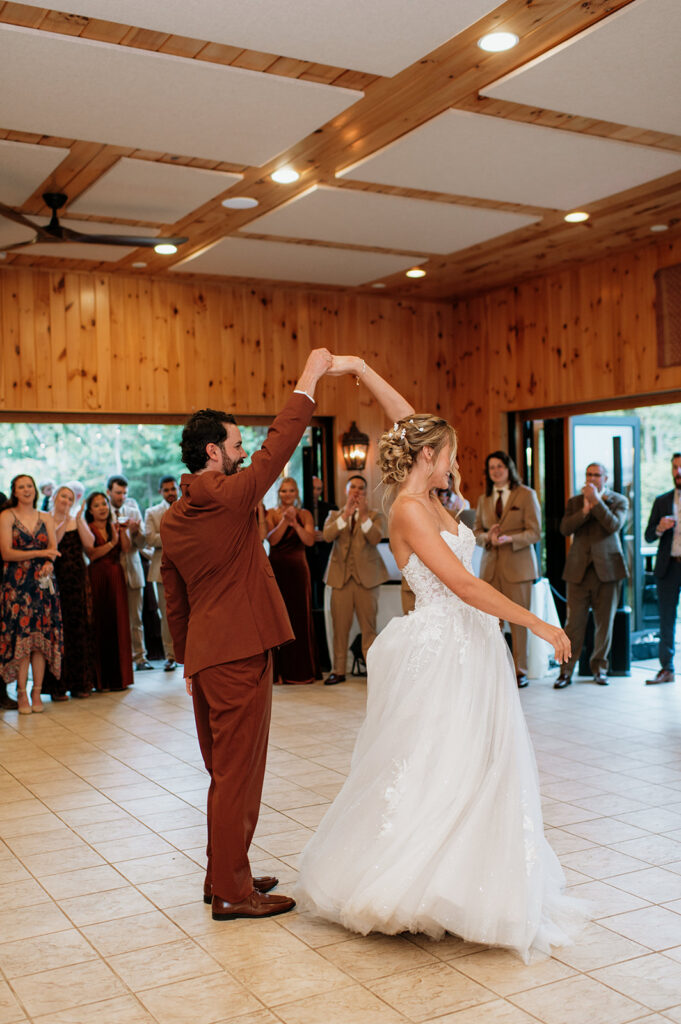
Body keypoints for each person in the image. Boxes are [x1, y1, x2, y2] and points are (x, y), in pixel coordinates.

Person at [296, 356, 583, 964]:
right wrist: (537, 621)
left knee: (479, 762)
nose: (457, 460)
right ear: (430, 458)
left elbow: (407, 420)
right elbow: (463, 585)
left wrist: (363, 369)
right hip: (443, 647)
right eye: (449, 452)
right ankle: (411, 885)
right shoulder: (406, 508)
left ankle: (466, 882)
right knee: (437, 762)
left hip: (471, 645)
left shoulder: (433, 493)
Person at [161, 348, 334, 923]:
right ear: (213, 451)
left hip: (209, 658)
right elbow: (278, 447)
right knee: (238, 773)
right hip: (237, 654)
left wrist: (187, 661)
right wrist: (308, 378)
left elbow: (173, 593)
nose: (243, 454)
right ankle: (234, 893)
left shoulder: (175, 514)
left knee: (225, 772)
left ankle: (224, 872)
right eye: (236, 446)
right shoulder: (232, 497)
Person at [555, 463, 628, 689]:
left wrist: (596, 502)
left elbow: (613, 525)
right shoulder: (575, 502)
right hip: (578, 571)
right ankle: (566, 671)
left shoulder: (619, 501)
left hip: (608, 571)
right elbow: (565, 529)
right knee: (573, 624)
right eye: (589, 474)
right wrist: (585, 510)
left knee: (604, 624)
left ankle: (600, 668)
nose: (592, 478)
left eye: (597, 475)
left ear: (605, 478)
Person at [474, 451, 542, 689]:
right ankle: (495, 669)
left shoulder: (526, 495)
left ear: (508, 468)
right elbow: (476, 533)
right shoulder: (484, 499)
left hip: (518, 569)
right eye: (491, 467)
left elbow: (535, 532)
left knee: (520, 621)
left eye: (500, 466)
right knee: (492, 622)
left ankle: (519, 670)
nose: (496, 471)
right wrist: (488, 538)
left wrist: (509, 539)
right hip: (490, 570)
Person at [0, 474, 63, 714]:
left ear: (35, 490)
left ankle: (37, 692)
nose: (26, 490)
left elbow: (53, 551)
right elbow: (6, 553)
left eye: (29, 486)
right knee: (21, 642)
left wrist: (48, 561)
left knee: (40, 642)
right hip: (17, 585)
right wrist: (41, 552)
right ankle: (21, 694)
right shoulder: (7, 516)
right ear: (14, 491)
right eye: (21, 487)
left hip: (43, 584)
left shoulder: (45, 517)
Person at [323, 476, 388, 684]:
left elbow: (376, 538)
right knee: (339, 628)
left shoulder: (375, 516)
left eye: (361, 488)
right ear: (346, 490)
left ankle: (372, 671)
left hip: (366, 580)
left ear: (366, 492)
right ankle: (338, 670)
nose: (357, 491)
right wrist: (347, 515)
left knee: (368, 628)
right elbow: (327, 536)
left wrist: (364, 517)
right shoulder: (334, 515)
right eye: (353, 487)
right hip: (340, 578)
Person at [43, 486, 98, 700]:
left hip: (77, 581)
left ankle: (81, 683)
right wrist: (64, 520)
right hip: (55, 581)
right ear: (55, 498)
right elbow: (53, 545)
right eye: (63, 496)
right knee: (57, 632)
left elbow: (89, 544)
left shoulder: (77, 518)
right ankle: (58, 686)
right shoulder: (46, 519)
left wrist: (78, 518)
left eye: (70, 497)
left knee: (79, 629)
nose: (66, 500)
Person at [266, 477, 319, 685]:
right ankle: (279, 672)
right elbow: (272, 540)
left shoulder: (305, 514)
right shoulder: (271, 513)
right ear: (278, 493)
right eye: (283, 491)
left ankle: (301, 671)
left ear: (296, 493)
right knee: (278, 618)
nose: (287, 495)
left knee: (300, 616)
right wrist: (283, 521)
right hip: (277, 569)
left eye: (291, 491)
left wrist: (295, 523)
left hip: (298, 570)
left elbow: (309, 540)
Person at [85, 492, 133, 692]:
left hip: (116, 577)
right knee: (100, 624)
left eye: (104, 504)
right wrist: (112, 543)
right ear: (90, 510)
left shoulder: (115, 526)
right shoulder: (88, 529)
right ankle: (101, 680)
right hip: (97, 578)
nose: (102, 508)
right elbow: (92, 553)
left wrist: (122, 532)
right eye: (97, 505)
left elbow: (127, 549)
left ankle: (120, 679)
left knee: (119, 624)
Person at [107, 475, 152, 671]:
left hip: (134, 571)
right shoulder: (102, 512)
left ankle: (140, 658)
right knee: (114, 618)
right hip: (112, 570)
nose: (122, 496)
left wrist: (136, 532)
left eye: (125, 493)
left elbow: (143, 544)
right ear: (109, 491)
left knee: (136, 618)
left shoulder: (133, 512)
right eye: (118, 492)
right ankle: (118, 659)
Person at [644, 452, 681, 684]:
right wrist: (660, 527)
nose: (678, 472)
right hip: (669, 568)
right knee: (666, 619)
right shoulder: (662, 500)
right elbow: (648, 535)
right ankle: (666, 668)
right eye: (675, 468)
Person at [144, 475, 179, 672]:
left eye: (173, 489)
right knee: (167, 615)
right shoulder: (152, 512)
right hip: (161, 570)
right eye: (166, 490)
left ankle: (191, 654)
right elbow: (150, 538)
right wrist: (175, 535)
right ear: (160, 492)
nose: (170, 493)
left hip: (188, 569)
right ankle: (171, 656)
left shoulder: (189, 507)